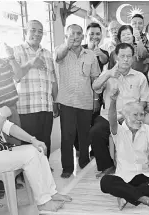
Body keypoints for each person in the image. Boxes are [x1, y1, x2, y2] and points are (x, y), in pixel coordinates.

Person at [0, 72, 72, 212]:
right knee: (30, 154)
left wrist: (33, 140)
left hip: (0, 152)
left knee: (37, 149)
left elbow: (9, 127)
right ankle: (43, 201)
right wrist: (1, 116)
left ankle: (52, 193)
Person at [100, 89, 149, 213]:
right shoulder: (119, 130)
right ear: (126, 116)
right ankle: (147, 201)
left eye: (142, 114)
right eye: (135, 115)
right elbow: (112, 118)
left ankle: (125, 194)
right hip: (123, 177)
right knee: (105, 182)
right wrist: (112, 101)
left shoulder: (148, 129)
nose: (140, 119)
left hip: (143, 175)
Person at [91, 43, 149, 178]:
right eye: (122, 56)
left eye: (129, 56)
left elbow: (144, 101)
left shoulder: (140, 77)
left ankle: (139, 164)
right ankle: (107, 166)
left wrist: (134, 115)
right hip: (109, 115)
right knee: (96, 132)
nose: (125, 59)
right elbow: (95, 87)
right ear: (116, 57)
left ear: (133, 58)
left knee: (141, 129)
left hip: (132, 116)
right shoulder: (107, 74)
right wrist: (108, 75)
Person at [54, 24, 101, 177]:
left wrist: (96, 99)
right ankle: (67, 168)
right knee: (67, 136)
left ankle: (84, 161)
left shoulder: (90, 55)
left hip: (86, 101)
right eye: (72, 33)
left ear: (83, 36)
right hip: (67, 101)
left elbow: (95, 78)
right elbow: (57, 57)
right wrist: (67, 44)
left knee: (84, 134)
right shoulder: (62, 51)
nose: (75, 36)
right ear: (66, 36)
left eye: (79, 34)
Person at [13, 20, 58, 159]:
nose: (37, 34)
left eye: (40, 31)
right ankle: (28, 173)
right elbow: (16, 76)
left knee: (45, 140)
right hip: (26, 107)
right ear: (25, 31)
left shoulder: (48, 54)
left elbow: (53, 79)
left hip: (46, 105)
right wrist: (31, 63)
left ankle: (45, 168)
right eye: (33, 30)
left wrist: (55, 102)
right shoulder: (16, 51)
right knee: (28, 142)